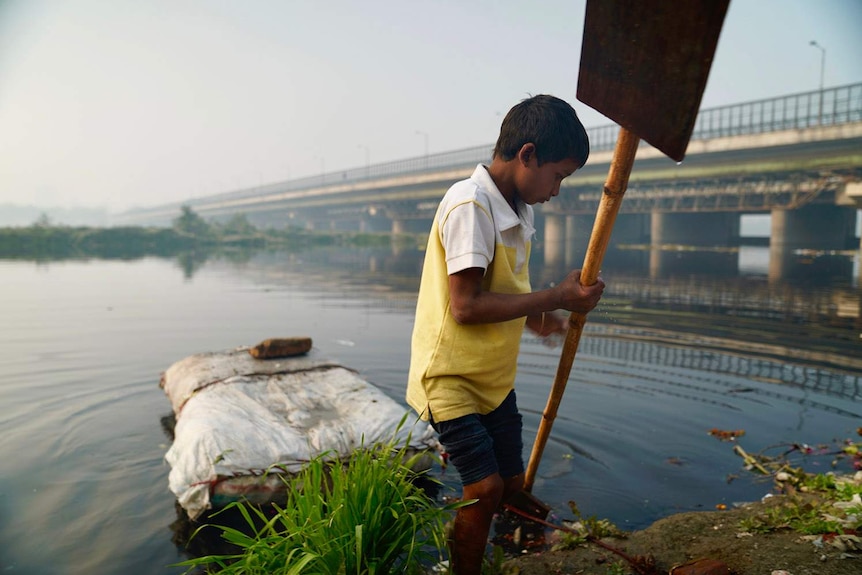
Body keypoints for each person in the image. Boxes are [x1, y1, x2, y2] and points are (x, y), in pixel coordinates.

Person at [406, 94, 605, 574]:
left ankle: (512, 550)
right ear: (527, 154)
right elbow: (466, 305)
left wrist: (540, 321)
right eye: (558, 175)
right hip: (450, 379)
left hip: (492, 381)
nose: (557, 190)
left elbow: (504, 289)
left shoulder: (518, 209)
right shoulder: (470, 204)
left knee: (513, 484)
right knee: (485, 489)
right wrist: (554, 298)